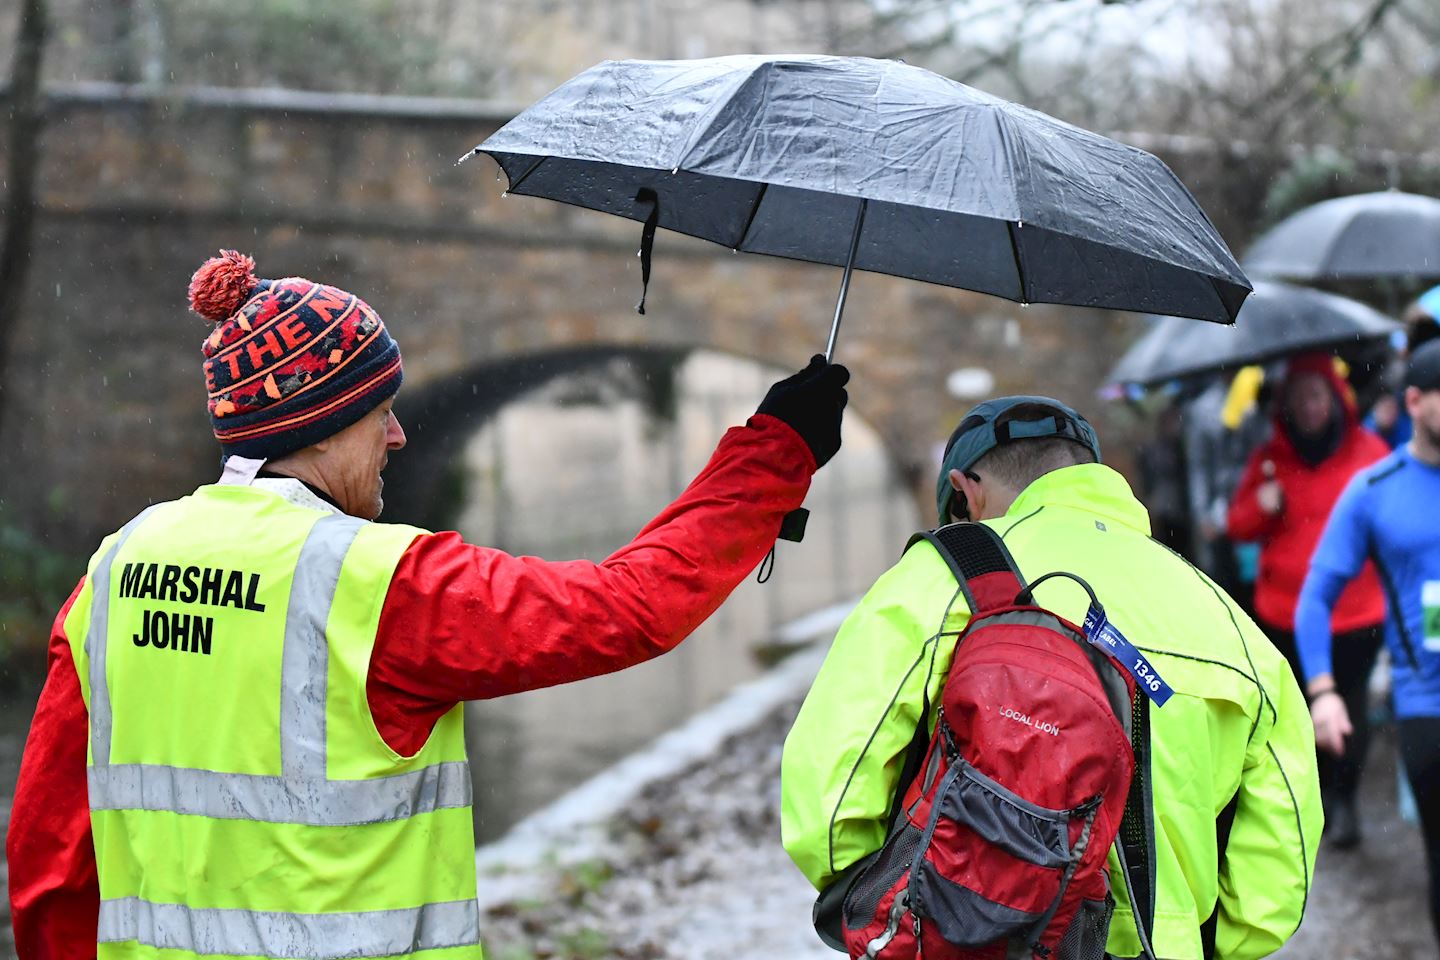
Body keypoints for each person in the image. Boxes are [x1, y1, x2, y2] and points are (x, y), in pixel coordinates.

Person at [6, 250, 850, 960]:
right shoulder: (380, 586)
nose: (401, 436)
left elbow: (51, 853)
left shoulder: (114, 571)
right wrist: (776, 451)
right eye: (381, 412)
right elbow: (625, 608)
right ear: (324, 425)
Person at [781, 396, 1320, 959]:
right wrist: (1200, 940)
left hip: (965, 938)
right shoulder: (1226, 620)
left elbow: (831, 794)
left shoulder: (937, 580)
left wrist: (889, 908)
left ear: (967, 492)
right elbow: (1283, 856)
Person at [1297, 339, 1440, 947]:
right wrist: (1324, 691)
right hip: (1426, 708)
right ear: (1414, 400)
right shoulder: (1374, 489)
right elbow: (1315, 599)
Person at [1227, 352, 1389, 848]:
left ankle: (1345, 801)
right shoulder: (1270, 462)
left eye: (1316, 395)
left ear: (1335, 398)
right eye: (1298, 398)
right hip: (1287, 612)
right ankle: (1312, 800)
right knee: (1299, 714)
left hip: (1358, 612)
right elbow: (1237, 526)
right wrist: (1262, 504)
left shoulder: (1370, 454)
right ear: (1286, 407)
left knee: (1351, 709)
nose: (1309, 407)